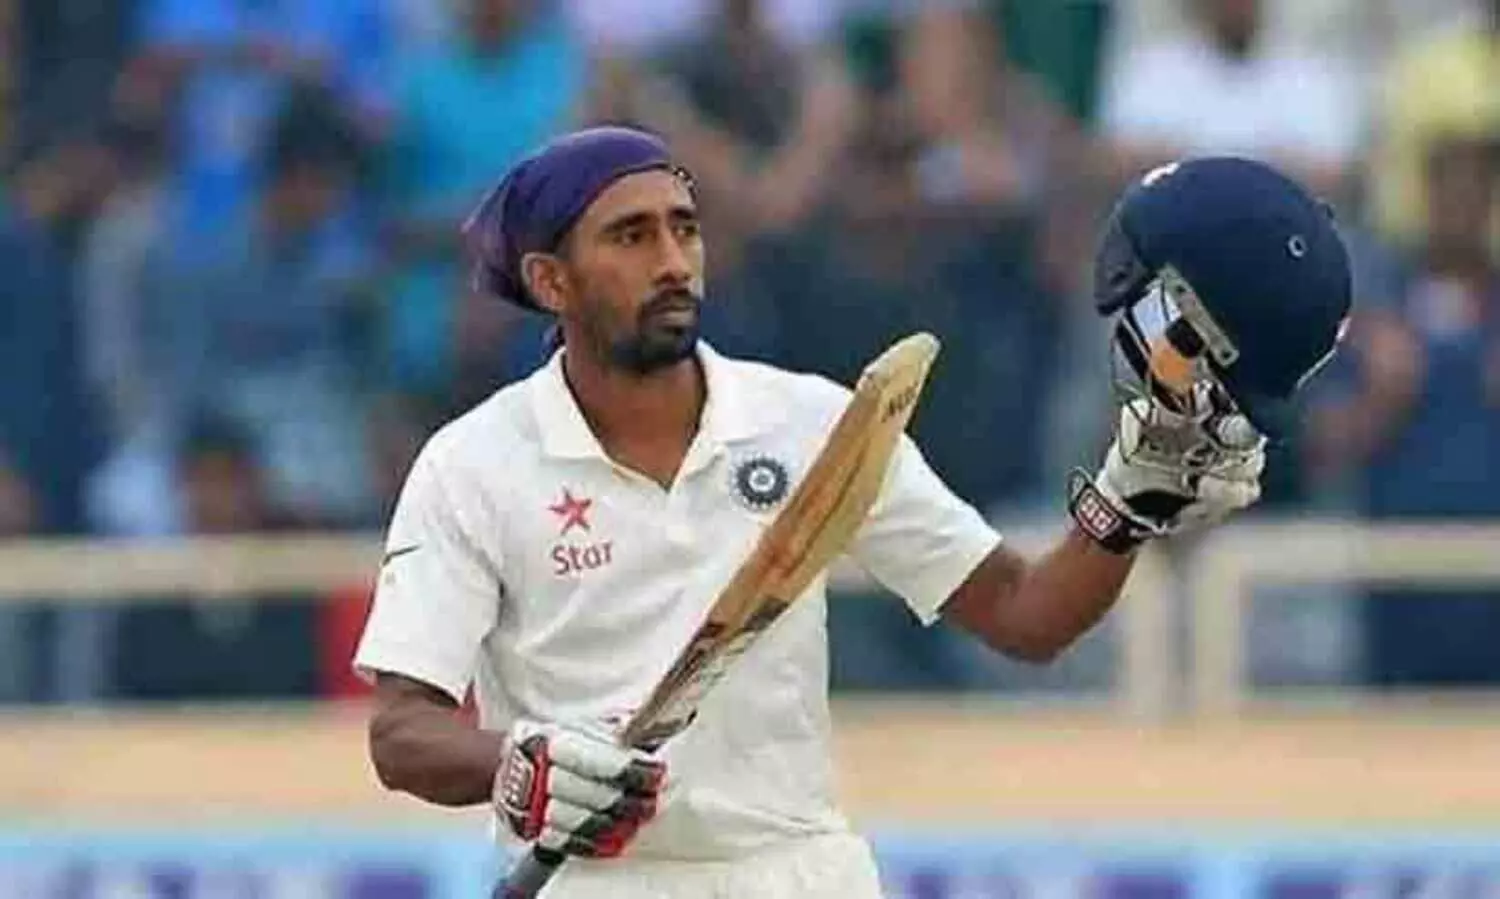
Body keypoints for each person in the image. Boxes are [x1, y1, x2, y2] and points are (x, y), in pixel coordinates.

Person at [352, 129, 1348, 897]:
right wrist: (518, 765)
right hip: (595, 878)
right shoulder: (472, 464)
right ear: (549, 280)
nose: (674, 259)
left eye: (685, 228)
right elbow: (401, 731)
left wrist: (1128, 501)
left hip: (797, 869)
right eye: (631, 235)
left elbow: (1026, 614)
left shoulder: (813, 426)